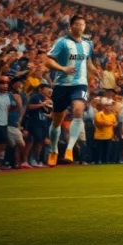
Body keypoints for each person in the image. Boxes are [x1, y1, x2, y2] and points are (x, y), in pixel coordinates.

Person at [43, 14, 100, 167]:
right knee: (57, 122)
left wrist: (95, 71)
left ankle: (69, 149)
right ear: (71, 26)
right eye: (78, 24)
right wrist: (62, 68)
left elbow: (88, 61)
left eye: (83, 24)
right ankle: (53, 150)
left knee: (78, 110)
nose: (81, 27)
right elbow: (47, 61)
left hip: (80, 84)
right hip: (62, 84)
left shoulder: (88, 44)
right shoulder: (62, 42)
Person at [0, 72, 10, 172]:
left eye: (6, 83)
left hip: (4, 123)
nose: (5, 85)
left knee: (3, 144)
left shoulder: (7, 96)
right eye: (2, 83)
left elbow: (7, 109)